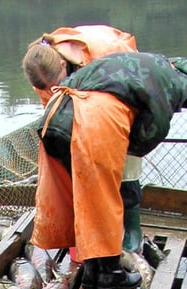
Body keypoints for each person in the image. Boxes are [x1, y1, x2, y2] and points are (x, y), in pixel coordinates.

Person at [25, 50, 187, 289]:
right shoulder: (170, 84)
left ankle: (92, 272)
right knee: (104, 200)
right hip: (89, 124)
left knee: (84, 198)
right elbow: (150, 134)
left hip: (54, 118)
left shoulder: (132, 63)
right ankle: (109, 274)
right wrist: (125, 149)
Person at [22, 25, 144, 254]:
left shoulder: (103, 56)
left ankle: (132, 228)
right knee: (81, 169)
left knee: (125, 164)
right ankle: (91, 231)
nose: (52, 90)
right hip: (83, 102)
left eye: (57, 84)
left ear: (62, 64)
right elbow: (54, 112)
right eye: (48, 89)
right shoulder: (41, 72)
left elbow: (129, 96)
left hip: (125, 94)